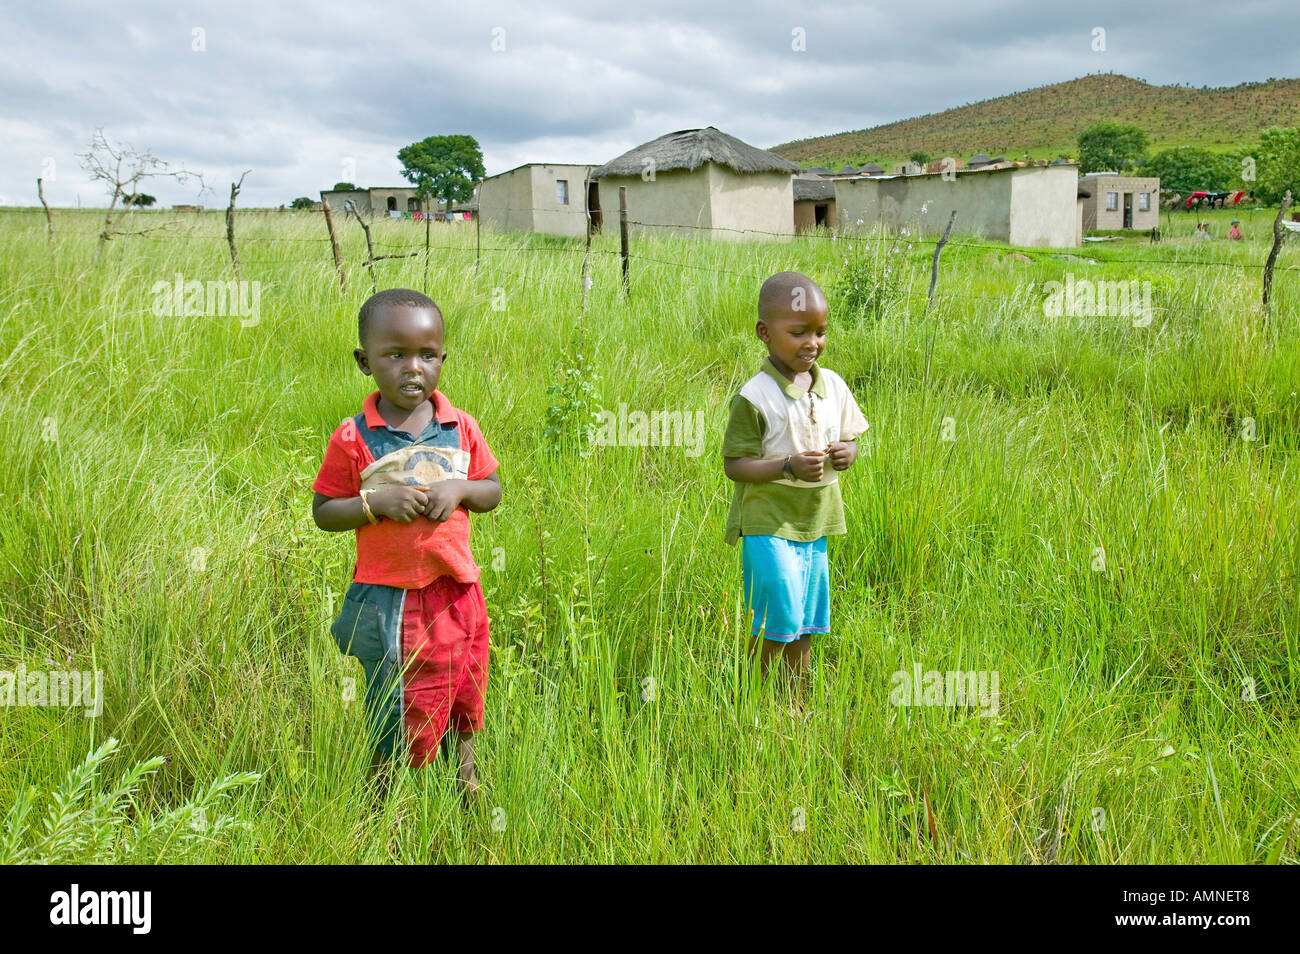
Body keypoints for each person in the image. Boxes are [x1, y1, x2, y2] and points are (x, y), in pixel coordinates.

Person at [312, 288, 501, 803]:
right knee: (394, 700)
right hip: (393, 600)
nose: (412, 368)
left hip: (458, 591)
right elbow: (325, 511)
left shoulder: (460, 427)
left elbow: (492, 491)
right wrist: (376, 503)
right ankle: (384, 801)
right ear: (365, 362)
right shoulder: (353, 439)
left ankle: (467, 780)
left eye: (426, 354)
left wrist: (460, 489)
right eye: (394, 355)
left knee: (465, 686)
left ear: (443, 358)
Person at [721, 272, 869, 688]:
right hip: (768, 522)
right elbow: (735, 464)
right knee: (777, 615)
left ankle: (794, 703)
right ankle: (754, 695)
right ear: (764, 333)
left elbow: (850, 439)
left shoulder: (833, 386)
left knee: (805, 620)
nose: (812, 343)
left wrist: (848, 453)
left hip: (815, 522)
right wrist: (786, 466)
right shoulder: (755, 396)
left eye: (821, 332)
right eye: (798, 332)